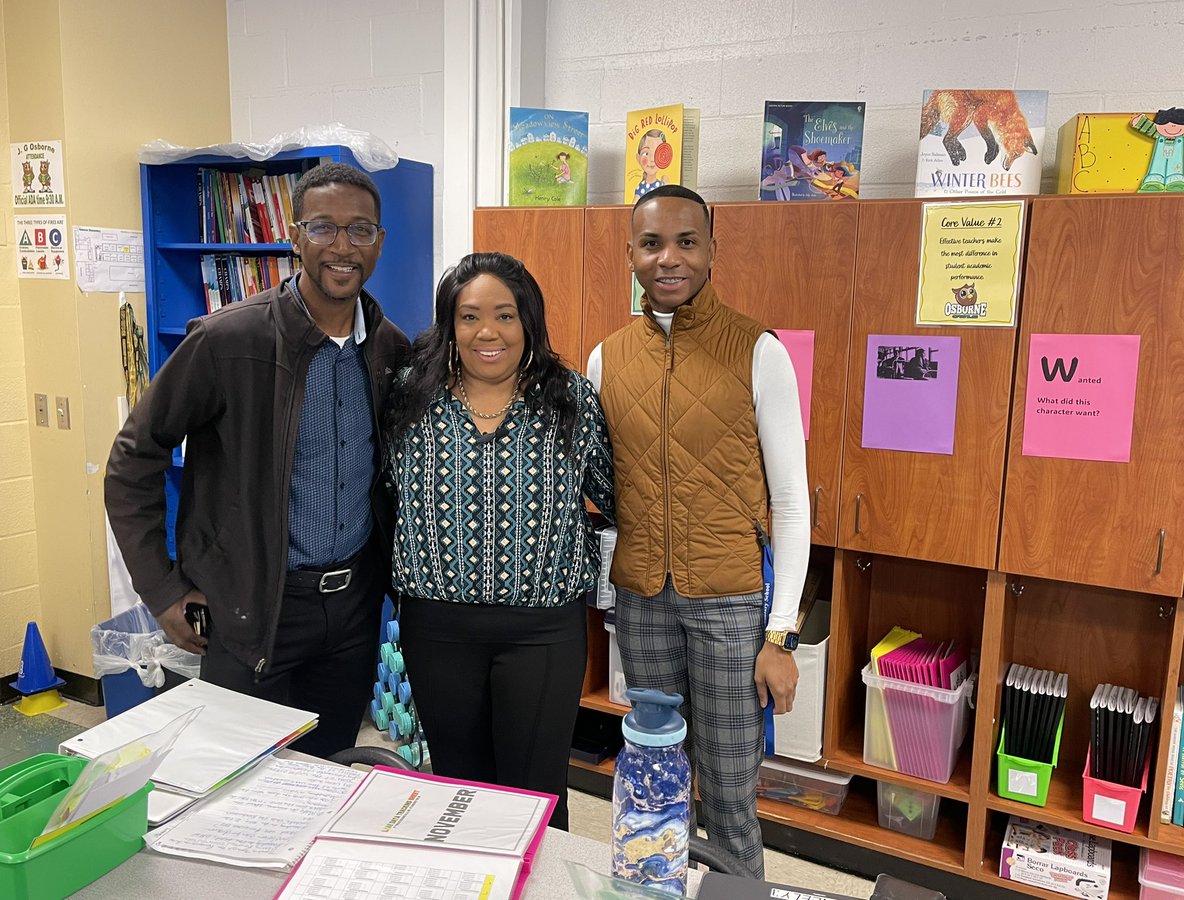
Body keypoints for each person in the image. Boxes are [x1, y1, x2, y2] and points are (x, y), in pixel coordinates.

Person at [105, 162, 410, 759]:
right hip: (252, 610)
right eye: (323, 227)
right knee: (240, 779)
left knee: (329, 771)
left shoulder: (391, 349)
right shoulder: (226, 341)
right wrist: (161, 588)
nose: (342, 246)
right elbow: (133, 457)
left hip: (353, 614)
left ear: (379, 242)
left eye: (360, 230)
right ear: (295, 237)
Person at [587, 185, 810, 877]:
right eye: (652, 243)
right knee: (656, 784)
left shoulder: (759, 350)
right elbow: (602, 493)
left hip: (730, 607)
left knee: (731, 795)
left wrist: (780, 635)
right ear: (630, 253)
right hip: (643, 604)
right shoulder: (605, 359)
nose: (669, 259)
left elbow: (790, 501)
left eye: (687, 242)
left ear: (712, 250)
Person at [384, 252, 615, 831]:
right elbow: (384, 490)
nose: (487, 332)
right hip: (437, 629)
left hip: (543, 632)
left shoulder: (570, 399)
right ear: (450, 325)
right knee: (459, 791)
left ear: (528, 321)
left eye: (505, 315)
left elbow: (615, 496)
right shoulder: (410, 395)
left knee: (536, 796)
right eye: (469, 316)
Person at [634, 129, 669, 197]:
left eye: (657, 154)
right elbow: (634, 203)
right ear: (638, 158)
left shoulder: (662, 184)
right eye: (646, 153)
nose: (652, 159)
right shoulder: (641, 188)